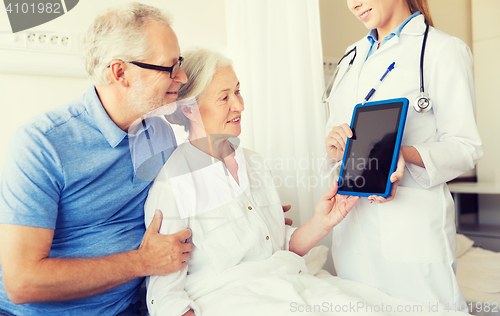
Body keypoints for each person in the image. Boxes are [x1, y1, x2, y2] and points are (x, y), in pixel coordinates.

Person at [0, 3, 193, 315]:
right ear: (120, 73)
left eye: (179, 62)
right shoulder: (41, 143)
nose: (181, 77)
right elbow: (23, 282)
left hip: (136, 303)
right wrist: (143, 262)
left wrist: (246, 210)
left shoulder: (160, 132)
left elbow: (180, 204)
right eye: (169, 67)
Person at [143, 49, 361, 316]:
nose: (239, 105)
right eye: (224, 97)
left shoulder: (254, 163)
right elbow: (165, 297)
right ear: (189, 109)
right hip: (230, 302)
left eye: (238, 91)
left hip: (288, 284)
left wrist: (323, 221)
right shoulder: (173, 185)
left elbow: (277, 247)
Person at [323, 0, 483, 309]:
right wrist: (332, 146)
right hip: (352, 230)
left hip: (411, 230)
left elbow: (466, 146)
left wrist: (401, 154)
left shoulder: (442, 50)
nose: (353, 4)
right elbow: (335, 140)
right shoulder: (350, 57)